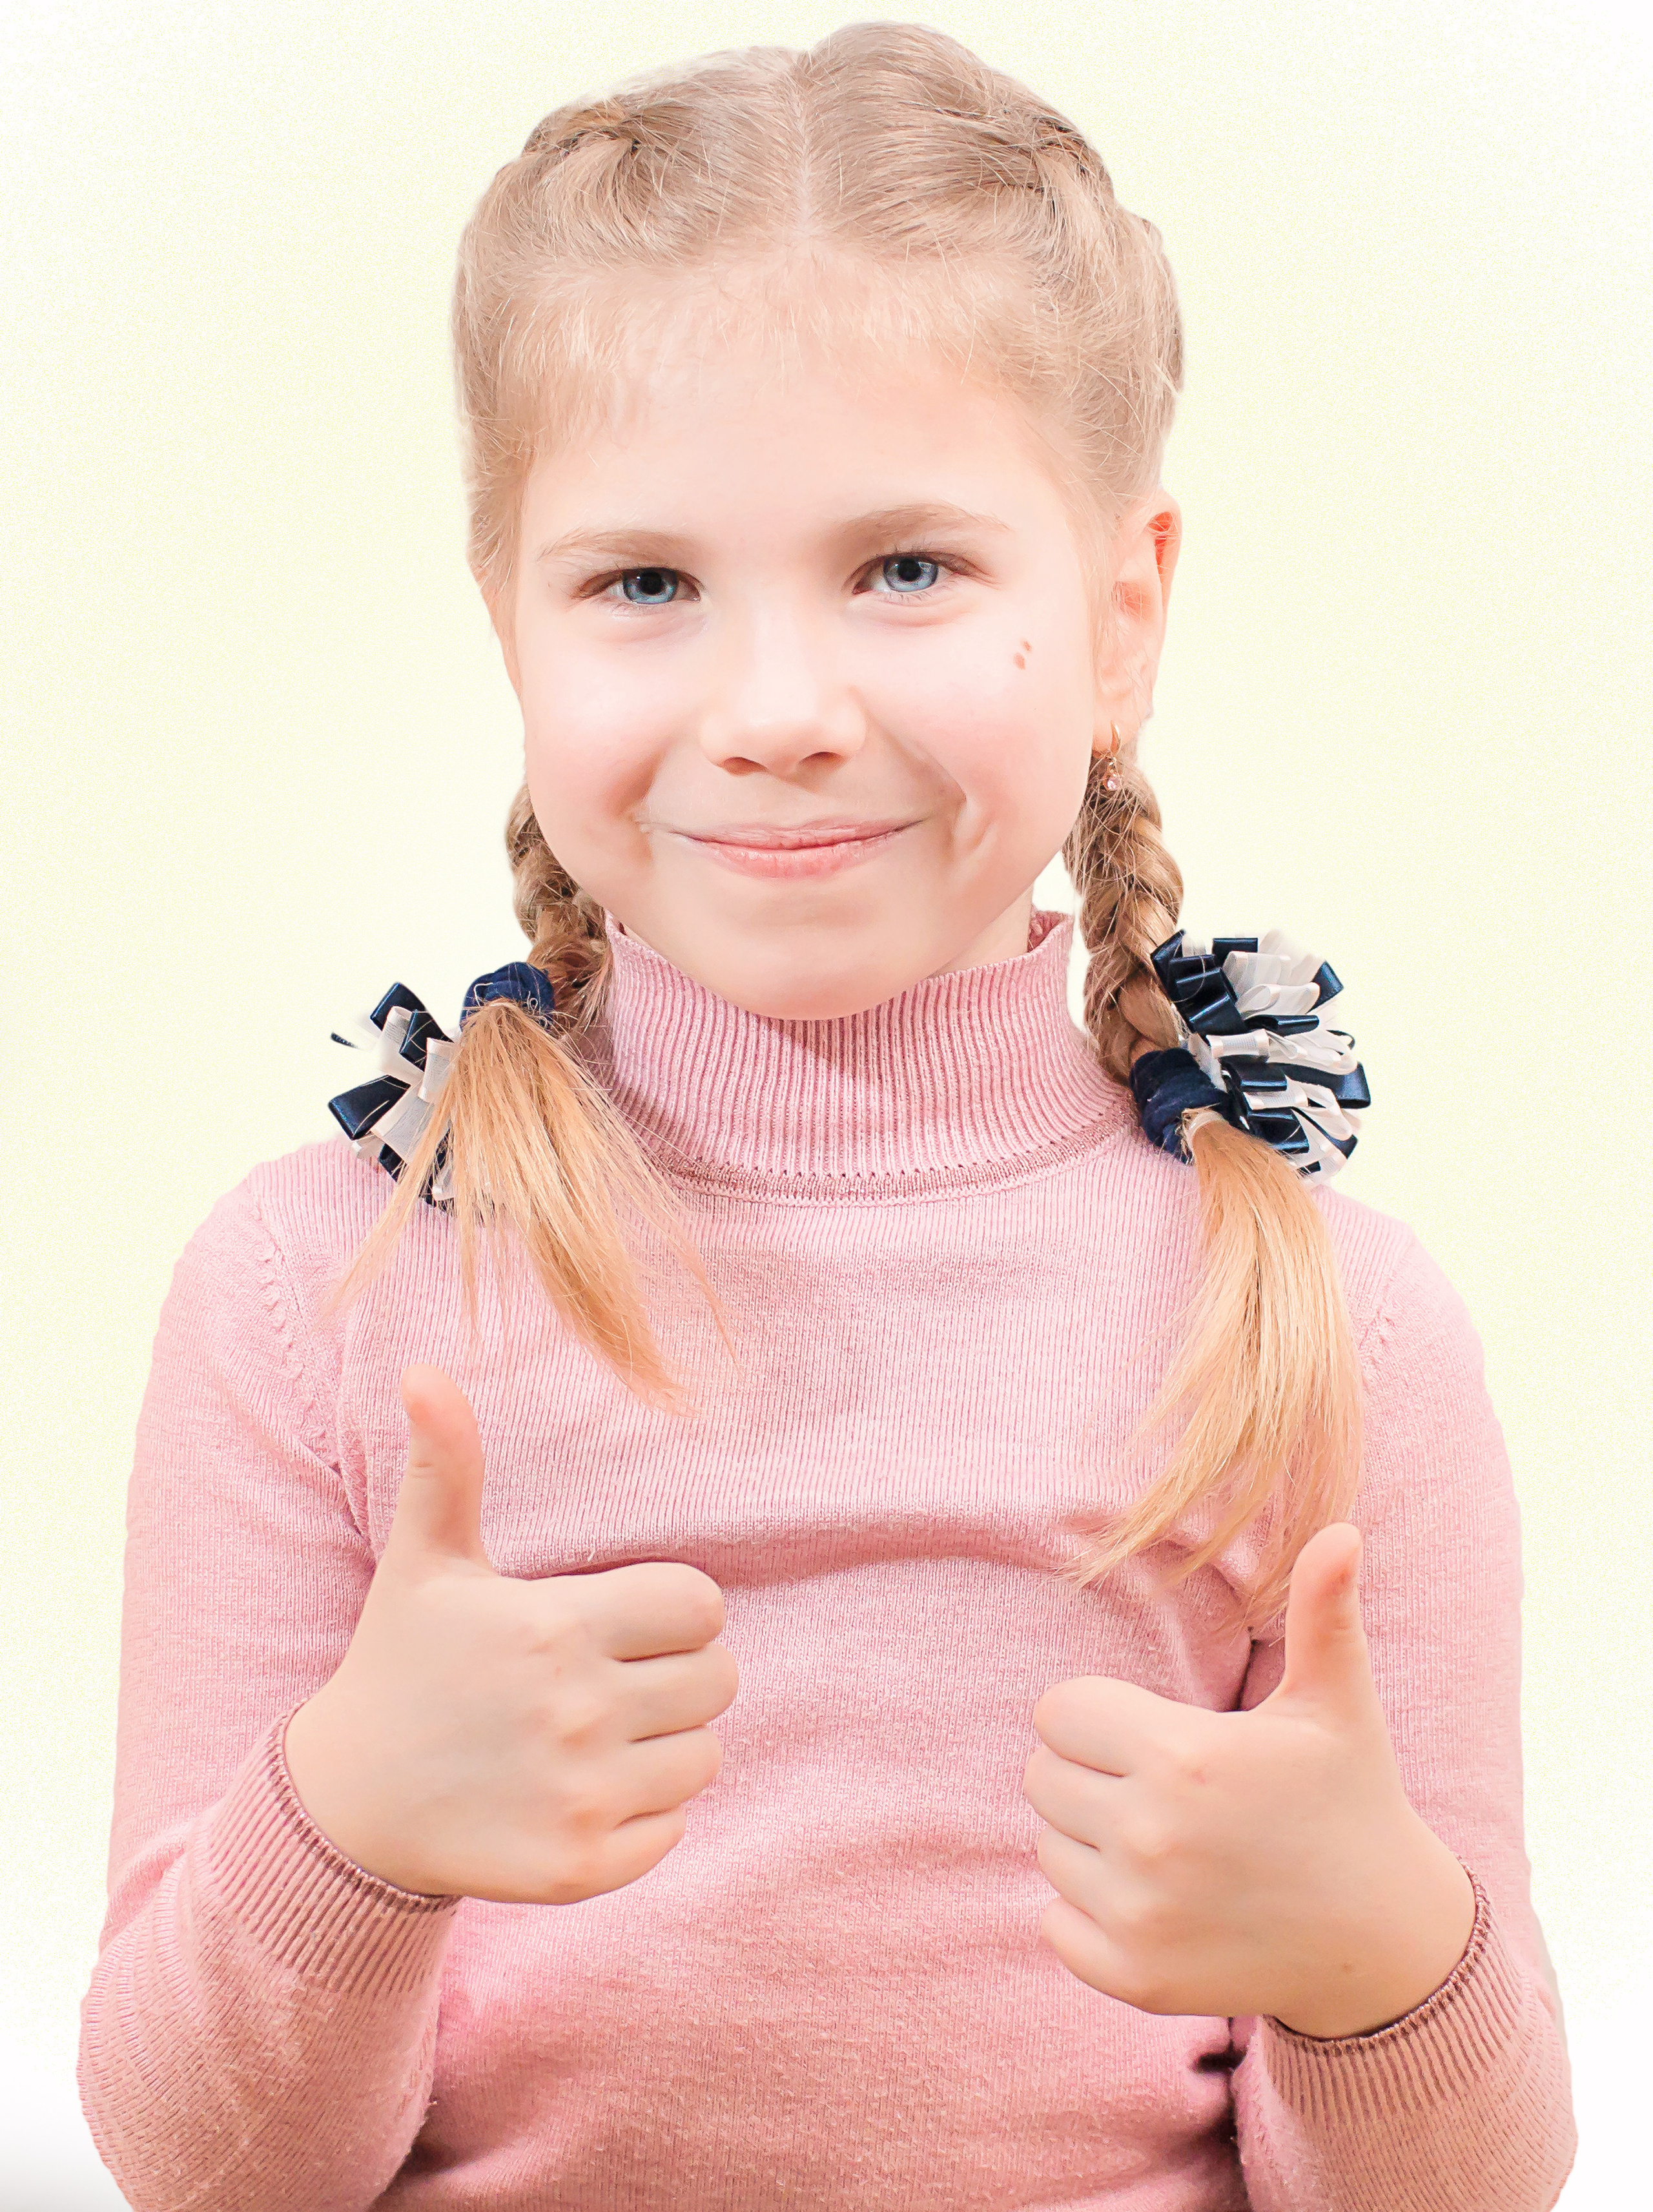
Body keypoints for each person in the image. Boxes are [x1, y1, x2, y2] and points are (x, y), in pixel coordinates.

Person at [77, 24, 1576, 2211]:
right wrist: (347, 1833)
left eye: (906, 569)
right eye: (646, 583)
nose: (779, 715)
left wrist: (1381, 1966)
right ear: (513, 623)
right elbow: (202, 2173)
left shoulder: (1331, 1325)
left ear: (1125, 608)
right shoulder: (321, 1285)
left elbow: (1468, 2182)